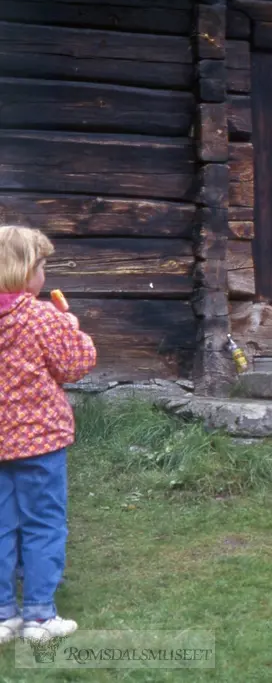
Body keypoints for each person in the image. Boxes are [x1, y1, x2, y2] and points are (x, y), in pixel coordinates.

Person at [0, 226, 96, 644]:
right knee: (43, 524)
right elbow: (76, 364)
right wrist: (71, 326)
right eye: (42, 265)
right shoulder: (42, 317)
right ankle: (39, 616)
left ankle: (4, 616)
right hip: (40, 444)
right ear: (25, 271)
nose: (45, 272)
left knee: (1, 526)